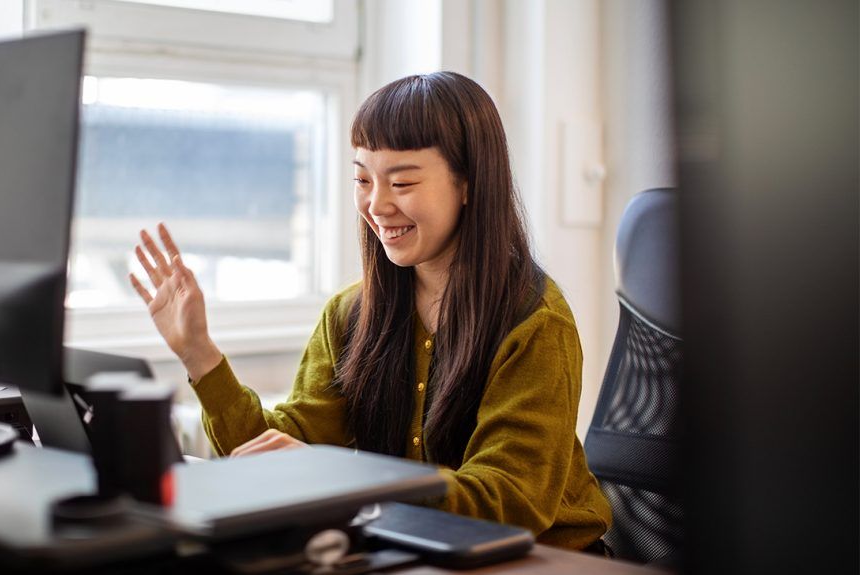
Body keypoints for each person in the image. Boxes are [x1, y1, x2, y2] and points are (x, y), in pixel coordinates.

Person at [130, 72, 612, 551]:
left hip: (545, 558)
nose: (377, 204)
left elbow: (509, 499)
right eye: (362, 179)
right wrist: (199, 354)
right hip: (417, 548)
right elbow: (275, 453)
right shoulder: (352, 314)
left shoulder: (534, 321)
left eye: (401, 181)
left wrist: (347, 483)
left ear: (468, 184)